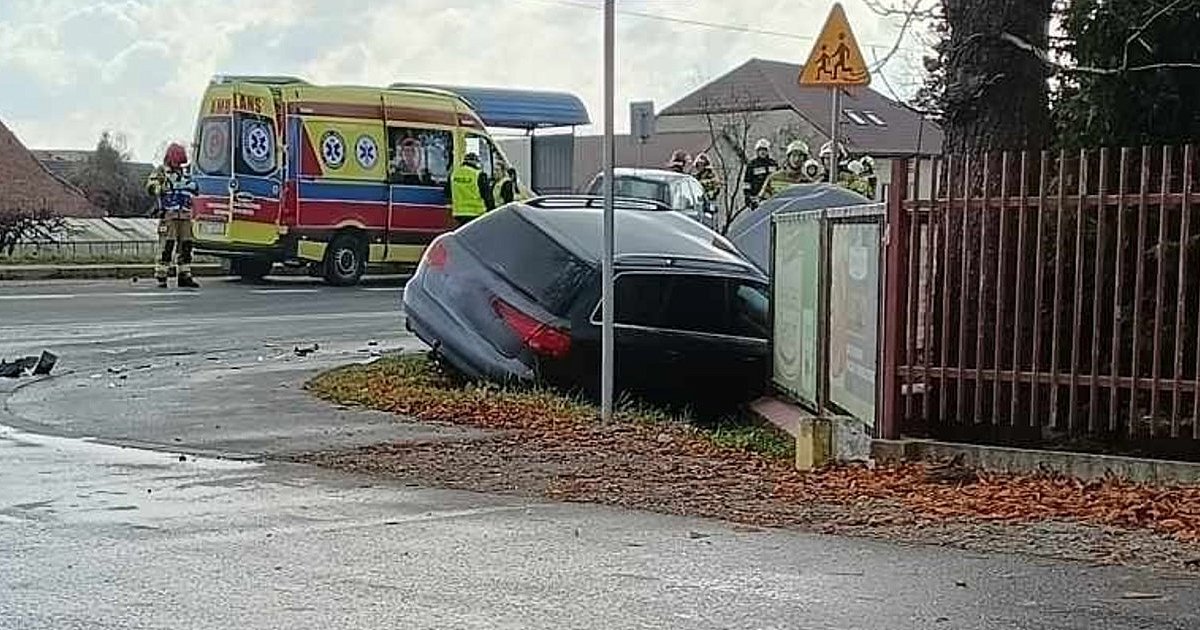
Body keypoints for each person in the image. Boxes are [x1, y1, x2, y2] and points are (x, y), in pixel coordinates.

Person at [146, 142, 200, 288]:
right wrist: (162, 187)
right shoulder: (161, 172)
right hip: (169, 214)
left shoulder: (186, 173)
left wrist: (191, 186)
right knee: (167, 245)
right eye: (177, 162)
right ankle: (162, 275)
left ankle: (185, 275)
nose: (179, 166)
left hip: (185, 214)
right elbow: (151, 186)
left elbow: (196, 188)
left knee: (186, 245)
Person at [448, 152, 494, 227]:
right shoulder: (479, 174)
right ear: (475, 162)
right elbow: (487, 195)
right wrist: (491, 210)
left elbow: (448, 193)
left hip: (459, 213)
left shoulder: (454, 174)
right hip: (476, 213)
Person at [742, 138, 778, 206]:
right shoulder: (752, 165)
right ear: (757, 151)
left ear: (768, 151)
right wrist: (747, 196)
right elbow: (747, 182)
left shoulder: (773, 164)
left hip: (772, 197)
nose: (762, 152)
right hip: (756, 197)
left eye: (764, 150)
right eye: (760, 150)